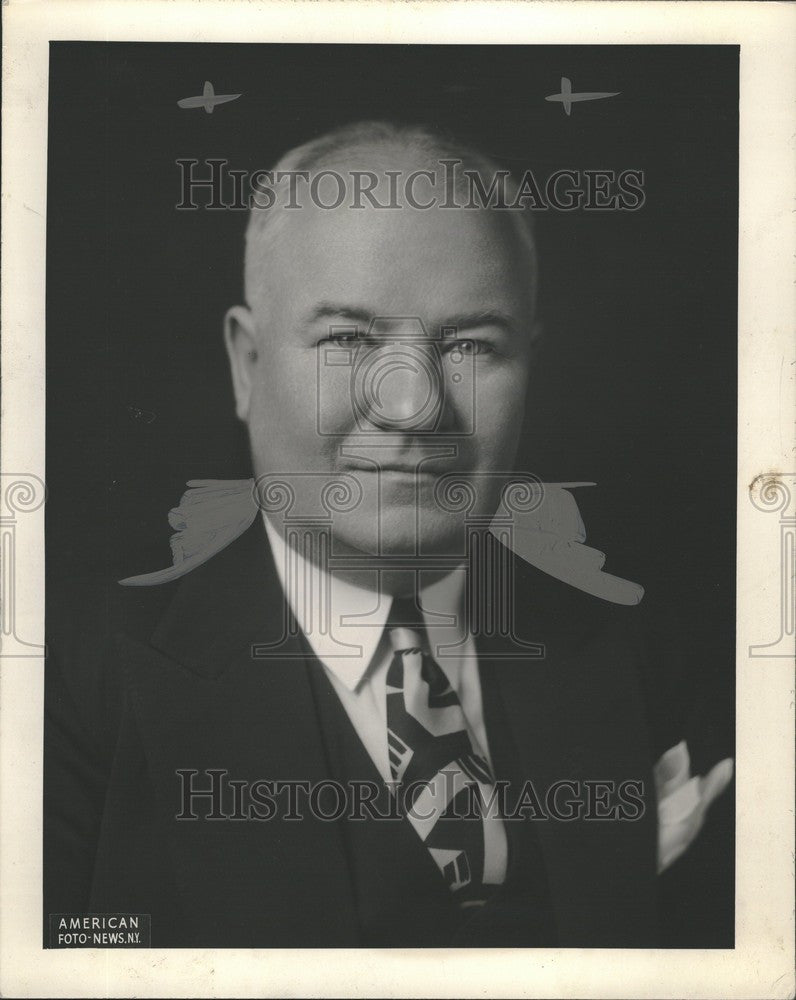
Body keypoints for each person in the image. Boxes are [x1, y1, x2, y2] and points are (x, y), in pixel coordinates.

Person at [44, 121, 732, 948]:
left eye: (473, 346)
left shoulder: (659, 661)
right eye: (348, 341)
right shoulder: (67, 689)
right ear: (246, 364)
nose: (412, 409)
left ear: (532, 371)